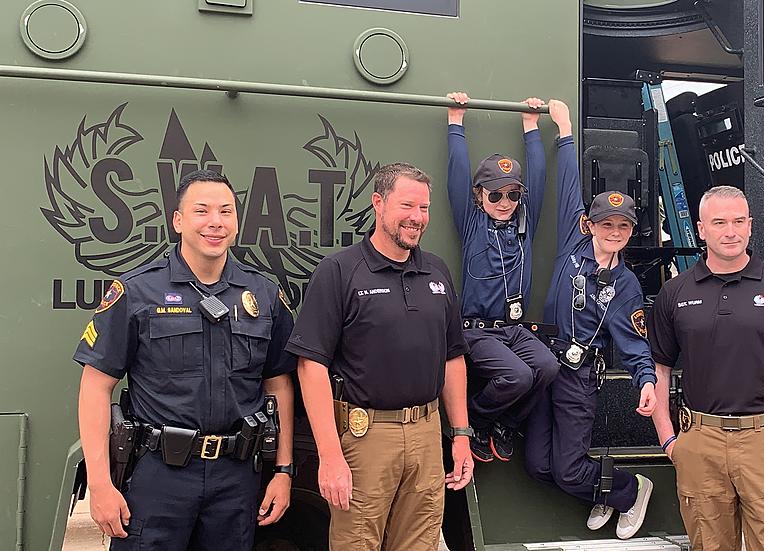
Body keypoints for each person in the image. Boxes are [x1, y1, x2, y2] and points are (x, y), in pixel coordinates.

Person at [75, 169, 296, 550]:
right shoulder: (137, 291)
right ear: (178, 221)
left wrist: (283, 470)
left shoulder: (263, 294)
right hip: (158, 476)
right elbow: (96, 385)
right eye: (202, 211)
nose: (215, 222)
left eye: (226, 212)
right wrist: (100, 484)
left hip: (236, 475)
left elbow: (278, 384)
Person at [287, 162, 474, 551]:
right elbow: (311, 367)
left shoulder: (437, 271)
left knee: (420, 543)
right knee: (357, 543)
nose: (417, 218)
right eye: (407, 206)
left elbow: (452, 359)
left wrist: (459, 436)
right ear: (378, 202)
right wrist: (331, 457)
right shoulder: (339, 271)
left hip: (426, 435)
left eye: (424, 209)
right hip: (365, 437)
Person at [648, 185, 764, 551]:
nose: (729, 231)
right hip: (699, 440)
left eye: (737, 221)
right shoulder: (675, 293)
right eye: (719, 222)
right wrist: (670, 441)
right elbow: (659, 372)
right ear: (701, 229)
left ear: (750, 226)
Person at [524, 100, 658, 540]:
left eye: (623, 226)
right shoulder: (571, 249)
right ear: (589, 224)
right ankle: (602, 491)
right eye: (606, 224)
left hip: (579, 377)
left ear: (630, 231)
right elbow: (567, 186)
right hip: (544, 367)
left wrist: (647, 384)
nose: (614, 232)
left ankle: (629, 490)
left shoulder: (626, 286)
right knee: (538, 466)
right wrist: (561, 129)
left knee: (567, 471)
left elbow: (637, 347)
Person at [445, 91, 560, 462]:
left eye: (513, 195)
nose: (505, 203)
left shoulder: (524, 223)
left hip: (515, 330)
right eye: (496, 196)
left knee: (546, 366)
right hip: (477, 330)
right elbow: (458, 175)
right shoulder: (473, 221)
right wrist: (455, 121)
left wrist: (531, 127)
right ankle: (475, 419)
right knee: (517, 377)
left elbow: (539, 178)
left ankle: (505, 422)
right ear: (480, 196)